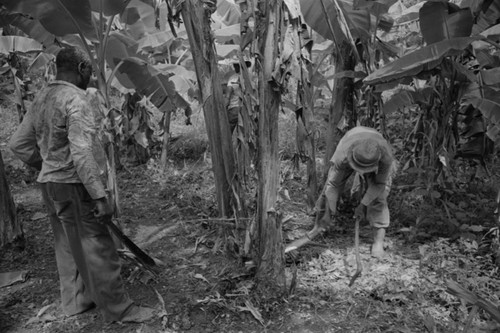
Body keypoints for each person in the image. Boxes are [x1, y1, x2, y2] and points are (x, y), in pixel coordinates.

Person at [9, 46, 155, 322]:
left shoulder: (43, 97)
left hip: (51, 187)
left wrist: (48, 166)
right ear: (82, 69)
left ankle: (76, 301)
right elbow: (81, 151)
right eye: (89, 71)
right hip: (75, 186)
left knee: (67, 245)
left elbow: (18, 144)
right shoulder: (76, 99)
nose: (90, 76)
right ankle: (120, 310)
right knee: (97, 246)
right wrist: (99, 196)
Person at [316, 126, 395, 258]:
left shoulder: (385, 157)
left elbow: (379, 184)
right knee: (329, 188)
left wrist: (362, 205)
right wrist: (330, 212)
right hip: (349, 143)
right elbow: (334, 185)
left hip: (376, 158)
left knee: (379, 197)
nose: (362, 172)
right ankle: (321, 223)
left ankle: (378, 242)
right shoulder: (342, 155)